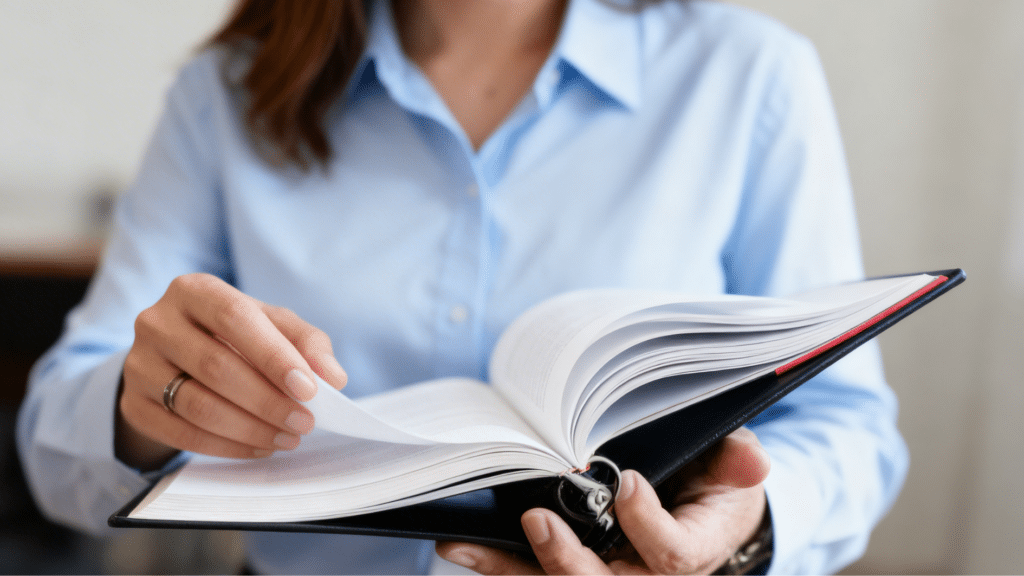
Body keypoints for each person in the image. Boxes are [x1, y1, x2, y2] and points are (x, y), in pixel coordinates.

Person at [17, 0, 908, 573]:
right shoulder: (225, 94)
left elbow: (848, 428)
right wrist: (143, 407)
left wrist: (742, 537)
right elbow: (55, 453)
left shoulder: (748, 75)